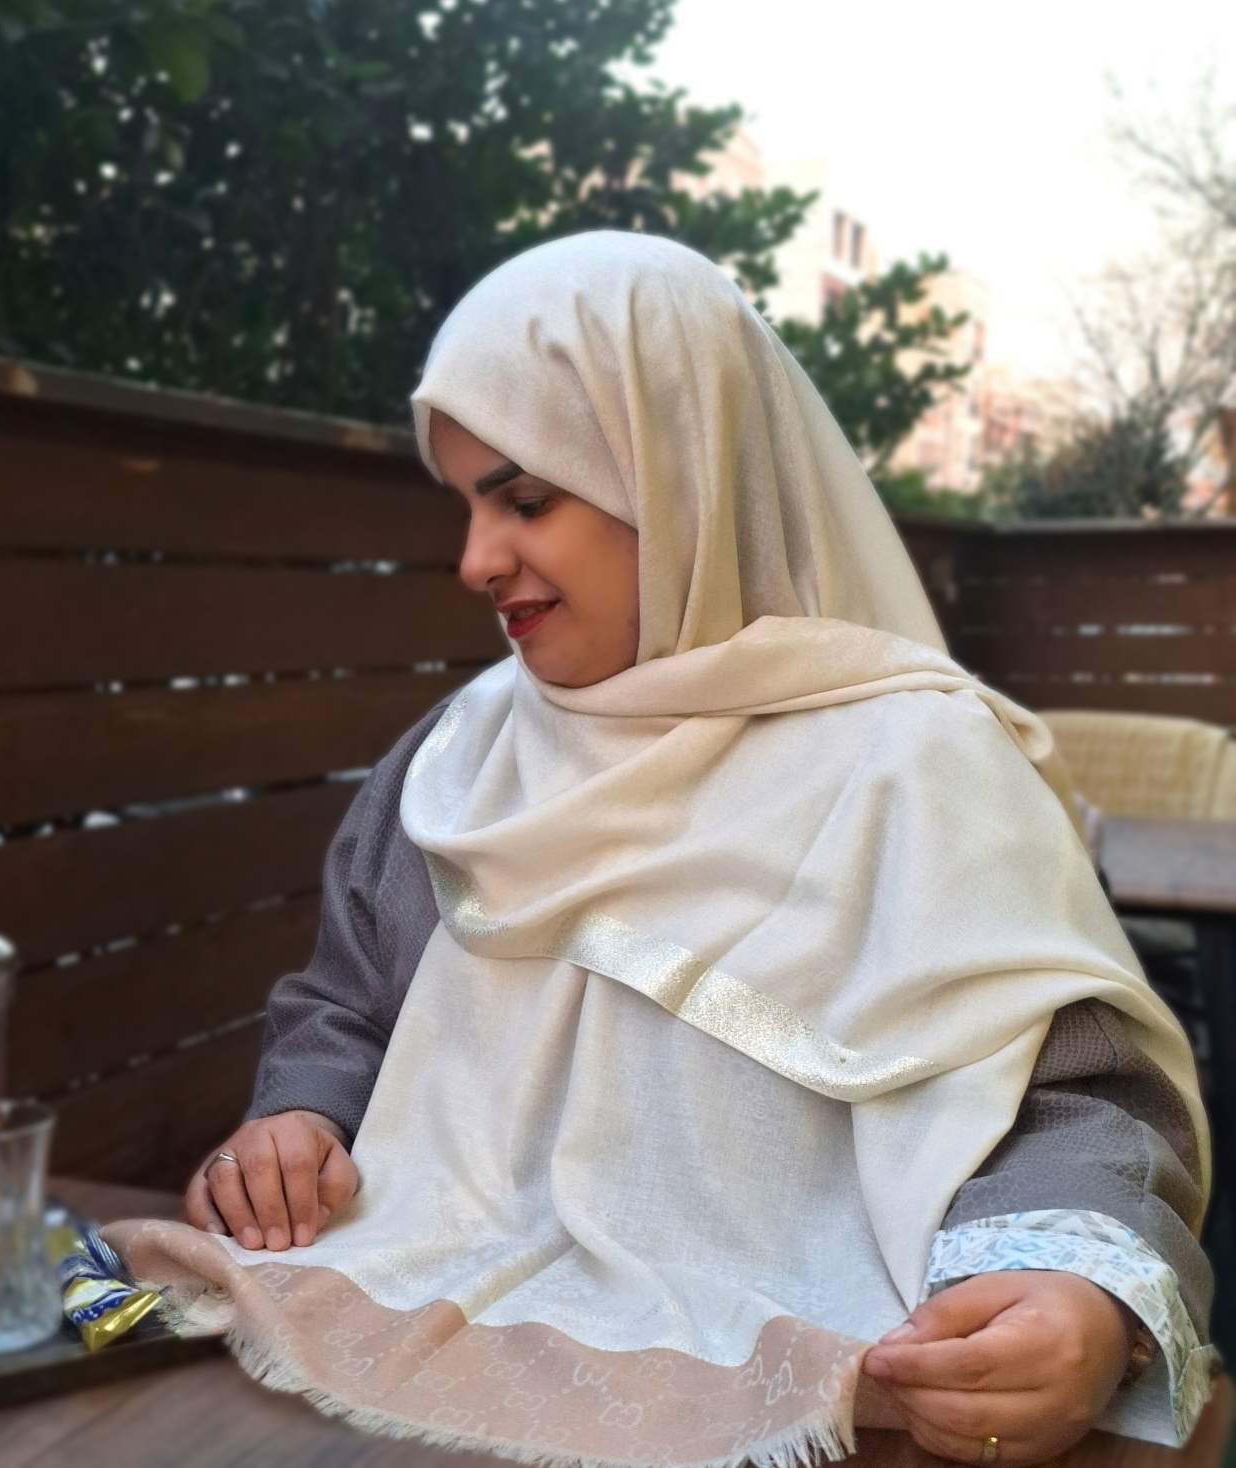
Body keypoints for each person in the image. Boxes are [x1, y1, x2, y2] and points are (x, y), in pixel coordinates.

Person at [113, 233, 1212, 1468]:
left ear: (681, 474)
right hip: (389, 1391)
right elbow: (346, 1006)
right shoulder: (460, 756)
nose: (474, 559)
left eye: (523, 499)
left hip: (832, 1424)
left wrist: (1065, 1295)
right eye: (464, 503)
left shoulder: (919, 765)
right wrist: (297, 1120)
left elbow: (1075, 1103)